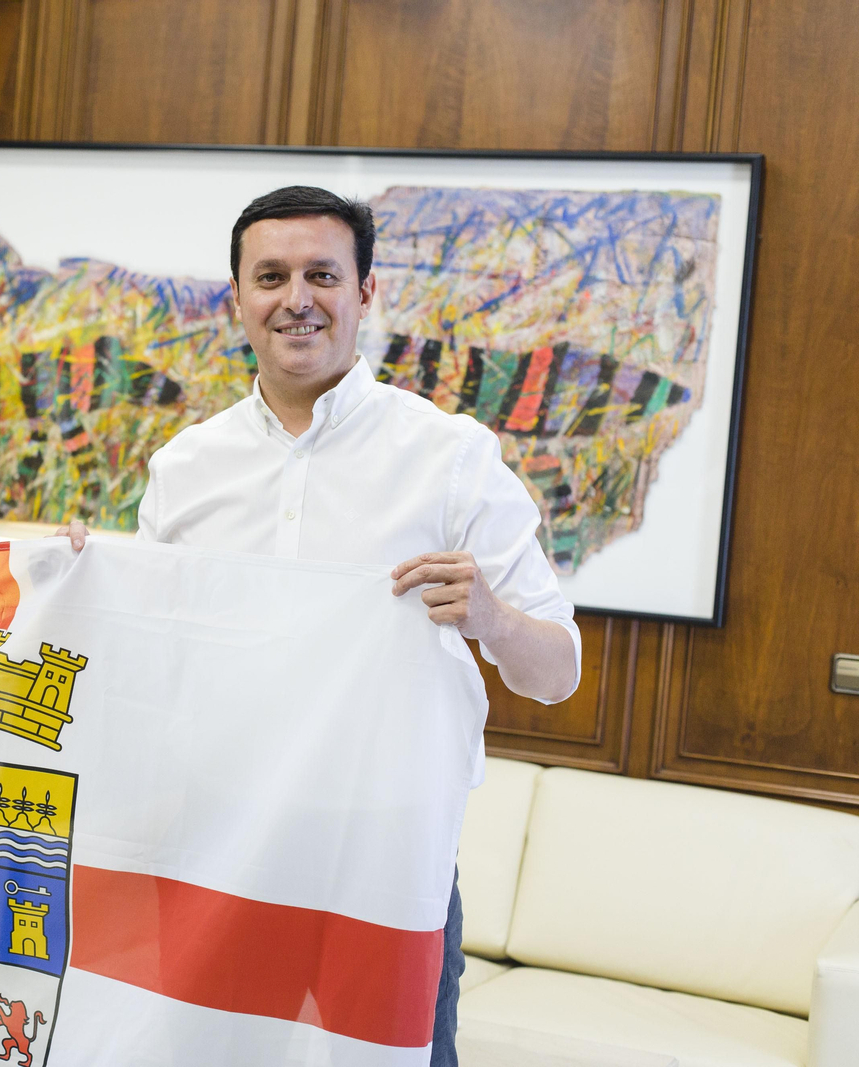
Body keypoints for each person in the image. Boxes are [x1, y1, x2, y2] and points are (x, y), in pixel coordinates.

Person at [55, 185, 579, 1065]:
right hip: (209, 856)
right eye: (271, 275)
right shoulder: (186, 468)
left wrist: (488, 614)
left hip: (382, 867)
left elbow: (557, 670)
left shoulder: (450, 459)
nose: (296, 297)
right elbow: (150, 662)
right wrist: (81, 587)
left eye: (321, 274)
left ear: (365, 293)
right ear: (237, 299)